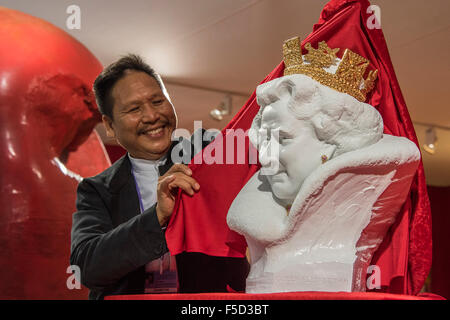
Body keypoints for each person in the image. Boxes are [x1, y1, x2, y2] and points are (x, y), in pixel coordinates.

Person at [70, 54, 249, 300]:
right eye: (134, 109)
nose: (152, 116)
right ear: (110, 125)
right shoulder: (96, 190)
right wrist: (157, 218)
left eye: (157, 101)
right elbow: (86, 268)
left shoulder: (207, 152)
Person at [227, 71, 421, 293]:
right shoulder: (250, 211)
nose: (264, 157)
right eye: (264, 141)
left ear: (333, 141)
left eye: (283, 139)